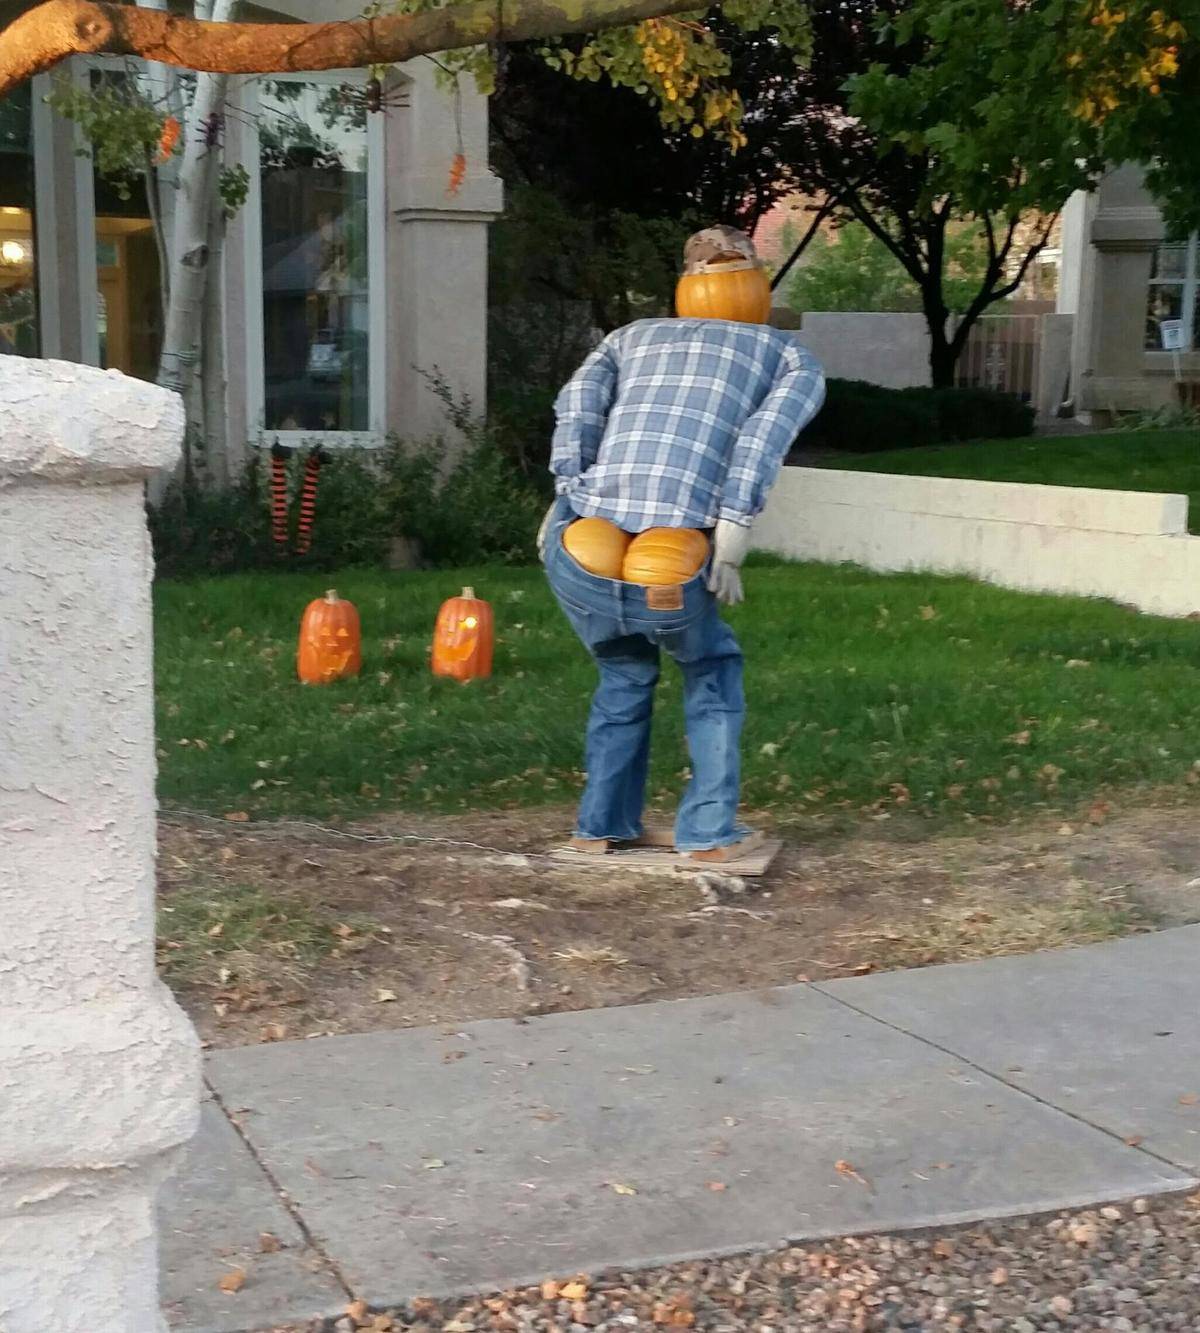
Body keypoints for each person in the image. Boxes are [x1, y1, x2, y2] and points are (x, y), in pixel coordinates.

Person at [540, 225, 825, 864]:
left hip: (582, 546)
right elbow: (759, 445)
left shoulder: (628, 338)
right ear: (755, 287)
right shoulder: (786, 357)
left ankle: (599, 827)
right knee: (711, 672)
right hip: (668, 563)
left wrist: (564, 494)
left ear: (685, 289)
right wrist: (730, 540)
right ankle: (706, 834)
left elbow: (576, 405)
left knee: (622, 672)